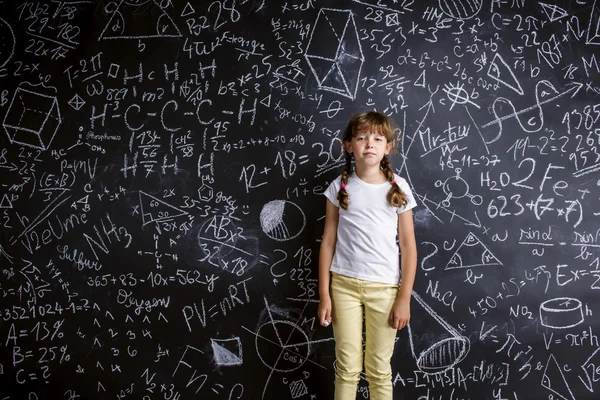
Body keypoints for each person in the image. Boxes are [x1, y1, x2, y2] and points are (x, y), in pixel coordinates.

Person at [318, 111, 417, 400]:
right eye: (361, 138)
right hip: (343, 287)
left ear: (388, 147)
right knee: (347, 368)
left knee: (378, 369)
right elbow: (327, 243)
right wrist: (325, 295)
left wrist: (403, 298)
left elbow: (409, 247)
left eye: (377, 138)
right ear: (349, 146)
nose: (369, 144)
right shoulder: (339, 187)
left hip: (384, 290)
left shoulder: (398, 189)